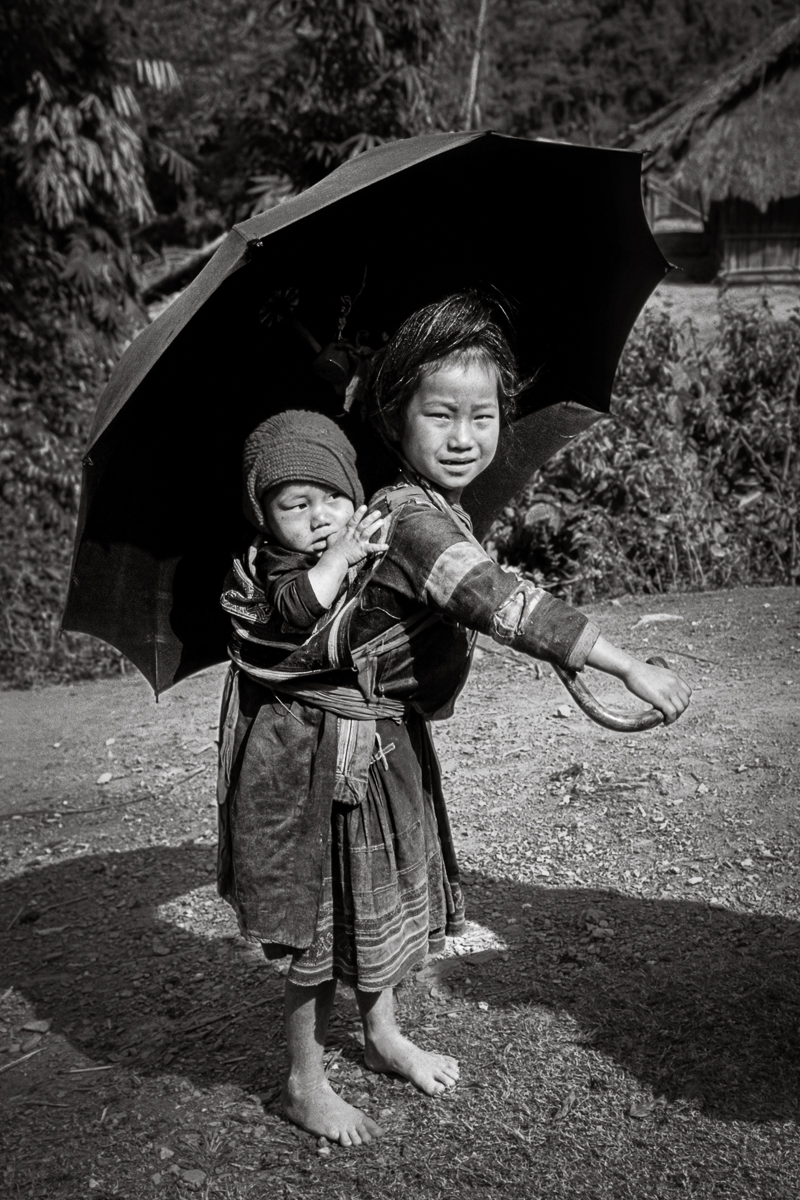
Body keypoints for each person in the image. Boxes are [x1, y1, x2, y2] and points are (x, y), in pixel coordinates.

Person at [217, 293, 692, 1149]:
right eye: (441, 415)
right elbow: (497, 599)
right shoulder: (409, 519)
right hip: (323, 751)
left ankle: (383, 1030)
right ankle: (302, 1078)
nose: (466, 436)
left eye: (485, 415)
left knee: (384, 888)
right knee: (323, 915)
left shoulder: (420, 506)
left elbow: (478, 599)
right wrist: (622, 662)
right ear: (397, 417)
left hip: (385, 741)